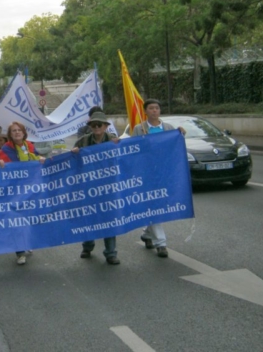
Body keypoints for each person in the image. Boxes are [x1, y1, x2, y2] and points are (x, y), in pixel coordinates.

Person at [131, 98, 185, 259]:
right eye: (151, 108)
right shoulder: (139, 129)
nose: (155, 110)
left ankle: (147, 234)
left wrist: (180, 133)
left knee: (158, 205)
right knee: (154, 204)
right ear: (145, 111)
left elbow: (174, 149)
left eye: (157, 108)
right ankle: (161, 243)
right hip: (147, 174)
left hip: (164, 174)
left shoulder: (168, 128)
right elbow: (134, 150)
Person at [71, 112, 121, 265]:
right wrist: (74, 154)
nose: (97, 127)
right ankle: (87, 247)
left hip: (109, 186)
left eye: (100, 124)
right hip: (88, 187)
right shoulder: (82, 142)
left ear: (106, 126)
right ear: (90, 127)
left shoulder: (114, 140)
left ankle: (111, 253)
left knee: (109, 219)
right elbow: (73, 164)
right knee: (89, 217)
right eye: (93, 125)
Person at [0, 122, 45, 265]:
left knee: (27, 219)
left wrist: (40, 158)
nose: (17, 133)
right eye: (14, 131)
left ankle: (26, 242)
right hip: (14, 191)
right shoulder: (6, 149)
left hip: (29, 190)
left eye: (19, 130)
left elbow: (36, 157)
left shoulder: (29, 146)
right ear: (10, 135)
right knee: (16, 220)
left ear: (24, 133)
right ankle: (19, 252)